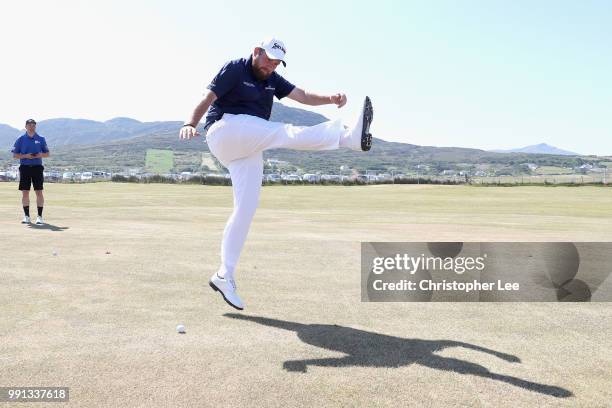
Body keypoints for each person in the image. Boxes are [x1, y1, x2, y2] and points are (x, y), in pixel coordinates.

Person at [179, 37, 373, 310]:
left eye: (276, 62)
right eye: (268, 58)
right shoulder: (236, 67)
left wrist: (330, 98)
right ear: (256, 52)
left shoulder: (273, 78)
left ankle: (224, 274)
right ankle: (346, 139)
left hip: (246, 146)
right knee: (281, 132)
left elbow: (302, 96)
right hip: (225, 130)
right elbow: (207, 97)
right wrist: (190, 122)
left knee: (245, 209)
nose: (271, 65)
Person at [11, 119, 50, 225]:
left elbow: (47, 153)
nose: (31, 127)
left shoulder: (41, 138)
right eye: (29, 125)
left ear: (35, 126)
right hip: (25, 168)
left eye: (33, 125)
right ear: (26, 126)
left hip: (37, 167)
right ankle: (27, 216)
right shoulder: (20, 139)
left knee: (39, 192)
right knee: (25, 192)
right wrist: (25, 156)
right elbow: (15, 155)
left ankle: (39, 217)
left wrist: (39, 155)